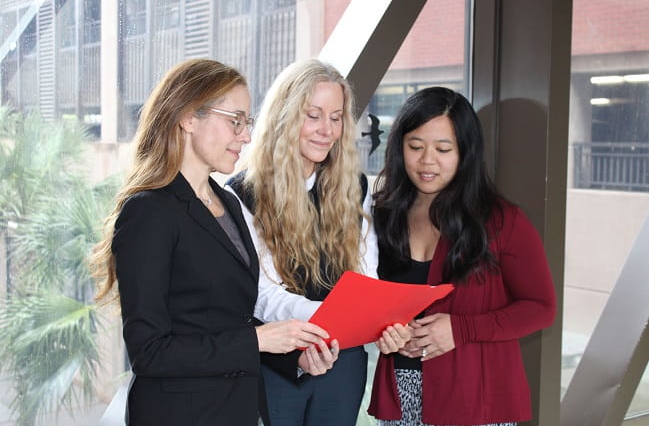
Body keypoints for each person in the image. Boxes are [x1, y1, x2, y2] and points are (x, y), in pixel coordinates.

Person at [90, 58, 336, 426]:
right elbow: (150, 352)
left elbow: (235, 314)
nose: (246, 136)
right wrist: (258, 341)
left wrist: (291, 354)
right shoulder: (148, 211)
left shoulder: (229, 202)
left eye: (247, 123)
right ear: (189, 118)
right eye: (235, 120)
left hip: (239, 409)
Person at [226, 58, 410, 426]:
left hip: (344, 359)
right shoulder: (243, 194)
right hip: (281, 362)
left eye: (336, 117)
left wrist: (383, 321)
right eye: (313, 115)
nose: (327, 130)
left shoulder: (354, 186)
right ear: (285, 117)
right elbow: (263, 294)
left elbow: (365, 275)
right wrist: (333, 320)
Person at [368, 87, 556, 426]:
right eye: (415, 147)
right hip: (401, 391)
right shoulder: (382, 214)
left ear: (465, 153)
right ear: (399, 148)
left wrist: (461, 329)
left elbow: (541, 309)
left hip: (476, 400)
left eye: (443, 149)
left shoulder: (502, 221)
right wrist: (389, 332)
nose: (427, 161)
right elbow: (372, 302)